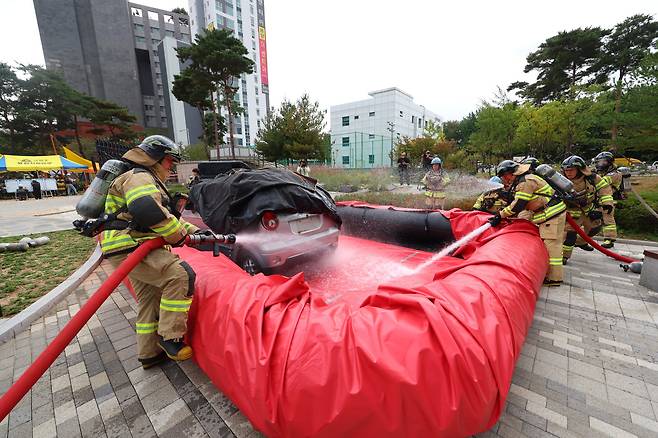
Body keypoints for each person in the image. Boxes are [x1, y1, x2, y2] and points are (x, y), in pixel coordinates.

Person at [101, 135, 201, 369]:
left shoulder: (141, 178)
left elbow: (164, 217)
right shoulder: (140, 177)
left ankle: (149, 353)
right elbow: (147, 211)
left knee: (149, 300)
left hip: (124, 245)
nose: (171, 167)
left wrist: (197, 232)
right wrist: (178, 237)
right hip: (131, 246)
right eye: (169, 162)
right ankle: (170, 338)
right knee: (180, 275)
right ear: (156, 158)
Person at [489, 160, 567, 287]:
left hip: (552, 214)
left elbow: (518, 204)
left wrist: (500, 215)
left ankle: (554, 278)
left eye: (504, 176)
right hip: (548, 213)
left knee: (551, 245)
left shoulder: (525, 182)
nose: (503, 179)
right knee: (549, 243)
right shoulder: (523, 180)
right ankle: (549, 273)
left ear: (510, 173)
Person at [560, 155, 614, 264]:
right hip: (572, 213)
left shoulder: (592, 178)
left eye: (571, 170)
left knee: (595, 228)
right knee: (569, 235)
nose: (568, 173)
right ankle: (563, 256)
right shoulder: (560, 180)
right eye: (566, 170)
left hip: (589, 210)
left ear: (579, 169)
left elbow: (604, 189)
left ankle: (581, 242)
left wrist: (607, 204)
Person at [593, 151, 622, 248]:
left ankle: (610, 239)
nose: (600, 164)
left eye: (603, 162)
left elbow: (602, 182)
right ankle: (582, 240)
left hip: (609, 200)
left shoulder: (615, 174)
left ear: (609, 162)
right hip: (598, 200)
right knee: (592, 220)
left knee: (608, 220)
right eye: (598, 162)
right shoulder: (601, 173)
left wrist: (591, 176)